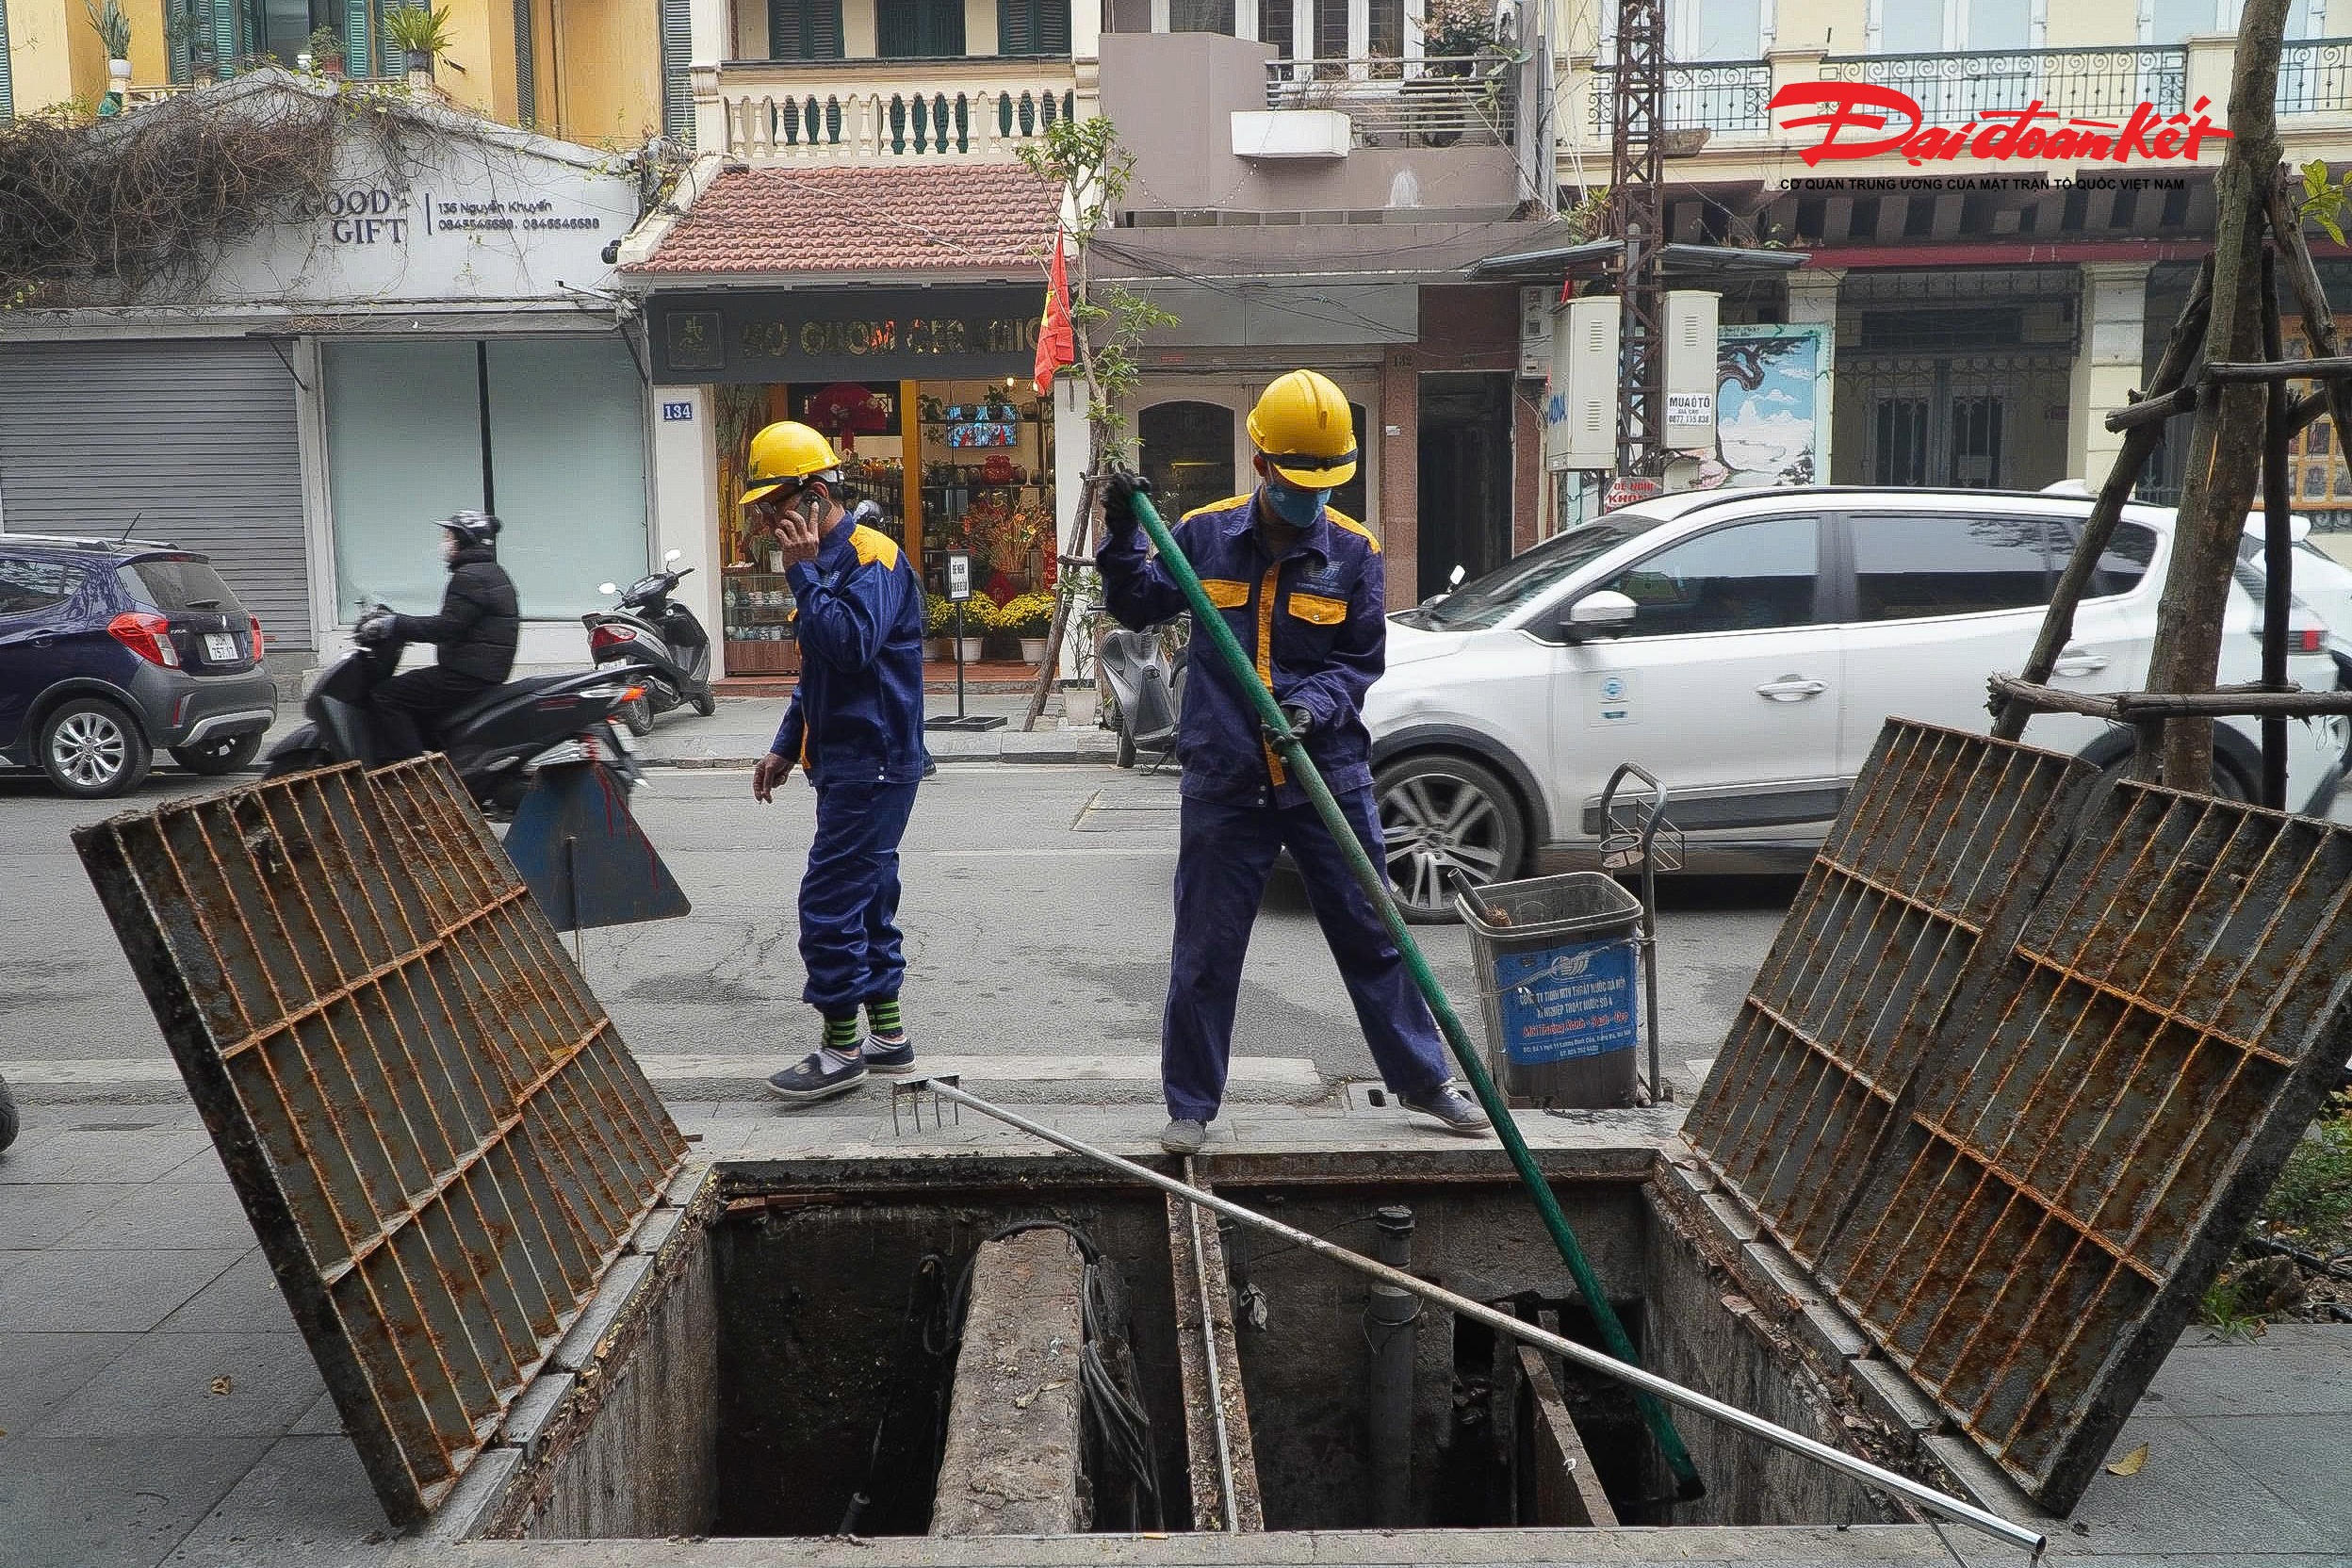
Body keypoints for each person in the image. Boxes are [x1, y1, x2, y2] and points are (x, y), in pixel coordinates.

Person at [1097, 369, 1492, 1154]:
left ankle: (1425, 1081)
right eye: (1296, 478)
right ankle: (1191, 1105)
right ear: (1261, 465)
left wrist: (1315, 704)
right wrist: (1121, 530)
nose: (1311, 494)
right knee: (1207, 948)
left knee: (1375, 934)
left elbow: (1359, 661)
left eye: (1324, 481)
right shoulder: (1205, 535)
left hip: (1327, 776)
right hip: (1226, 775)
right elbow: (1138, 606)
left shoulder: (1355, 551)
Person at [743, 420, 930, 1104]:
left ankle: (840, 1048)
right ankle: (886, 1036)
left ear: (815, 495)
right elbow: (819, 674)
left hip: (874, 760)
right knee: (870, 897)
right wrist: (786, 746)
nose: (768, 523)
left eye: (775, 506)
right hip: (850, 758)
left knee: (828, 903)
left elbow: (848, 644)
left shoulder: (869, 558)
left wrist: (802, 574)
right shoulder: (828, 562)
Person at [367, 510, 518, 761]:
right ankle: (434, 754)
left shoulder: (470, 577)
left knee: (386, 696)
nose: (444, 544)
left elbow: (445, 627)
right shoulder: (491, 572)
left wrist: (394, 624)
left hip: (465, 674)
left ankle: (414, 769)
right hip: (481, 672)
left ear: (465, 541)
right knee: (419, 704)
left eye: (449, 537)